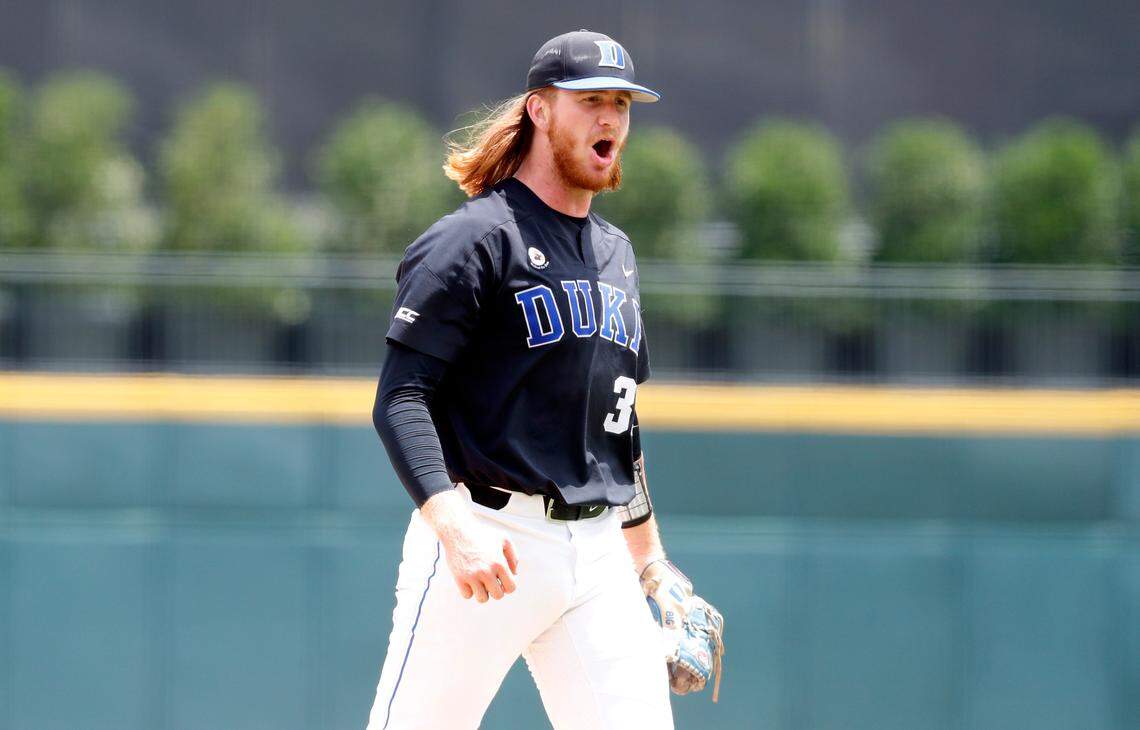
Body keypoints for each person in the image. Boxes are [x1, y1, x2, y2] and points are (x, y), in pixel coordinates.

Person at [366, 30, 715, 730]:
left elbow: (616, 424)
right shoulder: (473, 240)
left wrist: (651, 561)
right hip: (489, 536)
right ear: (540, 110)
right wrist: (453, 526)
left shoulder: (615, 253)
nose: (610, 117)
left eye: (620, 102)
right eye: (589, 100)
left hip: (596, 553)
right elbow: (400, 398)